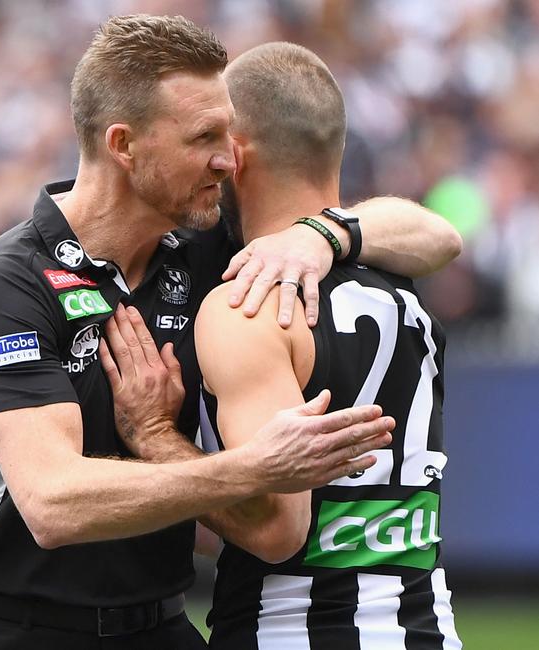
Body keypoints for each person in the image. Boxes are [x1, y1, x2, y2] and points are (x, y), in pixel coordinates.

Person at [0, 15, 460, 650]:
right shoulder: (10, 283)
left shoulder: (203, 248)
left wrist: (322, 234)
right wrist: (246, 468)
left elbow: (438, 238)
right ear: (123, 145)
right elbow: (54, 504)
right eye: (204, 136)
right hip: (9, 625)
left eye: (229, 135)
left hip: (160, 624)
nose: (224, 158)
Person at [190, 43, 462, 648]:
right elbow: (444, 236)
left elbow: (276, 529)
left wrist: (152, 443)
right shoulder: (402, 289)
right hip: (428, 630)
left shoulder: (249, 303)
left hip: (287, 632)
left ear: (235, 157)